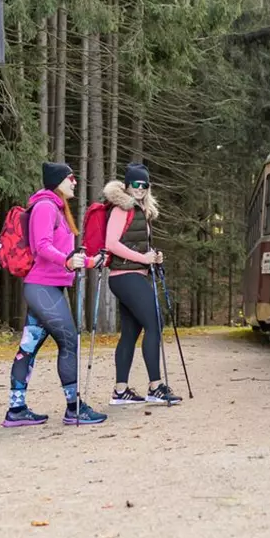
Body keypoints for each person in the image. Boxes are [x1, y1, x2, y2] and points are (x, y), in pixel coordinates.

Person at [2, 162, 108, 427]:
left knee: (28, 348)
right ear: (58, 181)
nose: (74, 182)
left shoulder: (57, 209)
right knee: (69, 341)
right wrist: (67, 262)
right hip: (43, 288)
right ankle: (74, 409)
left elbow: (62, 252)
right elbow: (42, 248)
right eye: (70, 178)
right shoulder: (46, 207)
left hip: (46, 288)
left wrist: (90, 260)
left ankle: (16, 410)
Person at [103, 162, 182, 406]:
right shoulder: (121, 209)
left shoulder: (141, 211)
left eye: (144, 184)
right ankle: (156, 386)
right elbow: (111, 243)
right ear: (126, 185)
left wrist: (153, 256)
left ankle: (120, 390)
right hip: (126, 277)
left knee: (131, 331)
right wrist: (142, 258)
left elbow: (135, 244)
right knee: (155, 323)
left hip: (133, 275)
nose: (140, 188)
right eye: (135, 184)